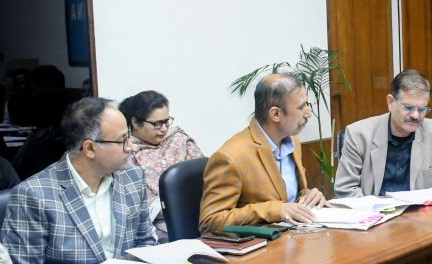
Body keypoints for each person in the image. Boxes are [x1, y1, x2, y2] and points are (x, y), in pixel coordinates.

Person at [0, 97, 155, 263]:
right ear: (90, 148)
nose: (132, 147)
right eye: (122, 140)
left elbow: (145, 243)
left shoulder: (132, 177)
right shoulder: (34, 195)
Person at [199, 73, 327, 233]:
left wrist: (309, 197)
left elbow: (287, 197)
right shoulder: (230, 157)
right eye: (302, 107)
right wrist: (276, 210)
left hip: (297, 237)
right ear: (276, 114)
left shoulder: (293, 142)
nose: (308, 113)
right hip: (262, 245)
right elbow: (210, 221)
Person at [334, 69, 432, 198]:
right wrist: (379, 207)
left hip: (420, 209)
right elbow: (345, 189)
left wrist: (420, 203)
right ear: (390, 102)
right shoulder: (358, 134)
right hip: (373, 209)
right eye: (408, 107)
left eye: (422, 109)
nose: (416, 115)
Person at [119, 90, 204, 242]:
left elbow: (206, 174)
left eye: (166, 121)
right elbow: (135, 206)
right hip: (162, 227)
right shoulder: (126, 154)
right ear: (135, 122)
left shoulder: (179, 140)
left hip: (203, 212)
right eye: (157, 124)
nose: (164, 129)